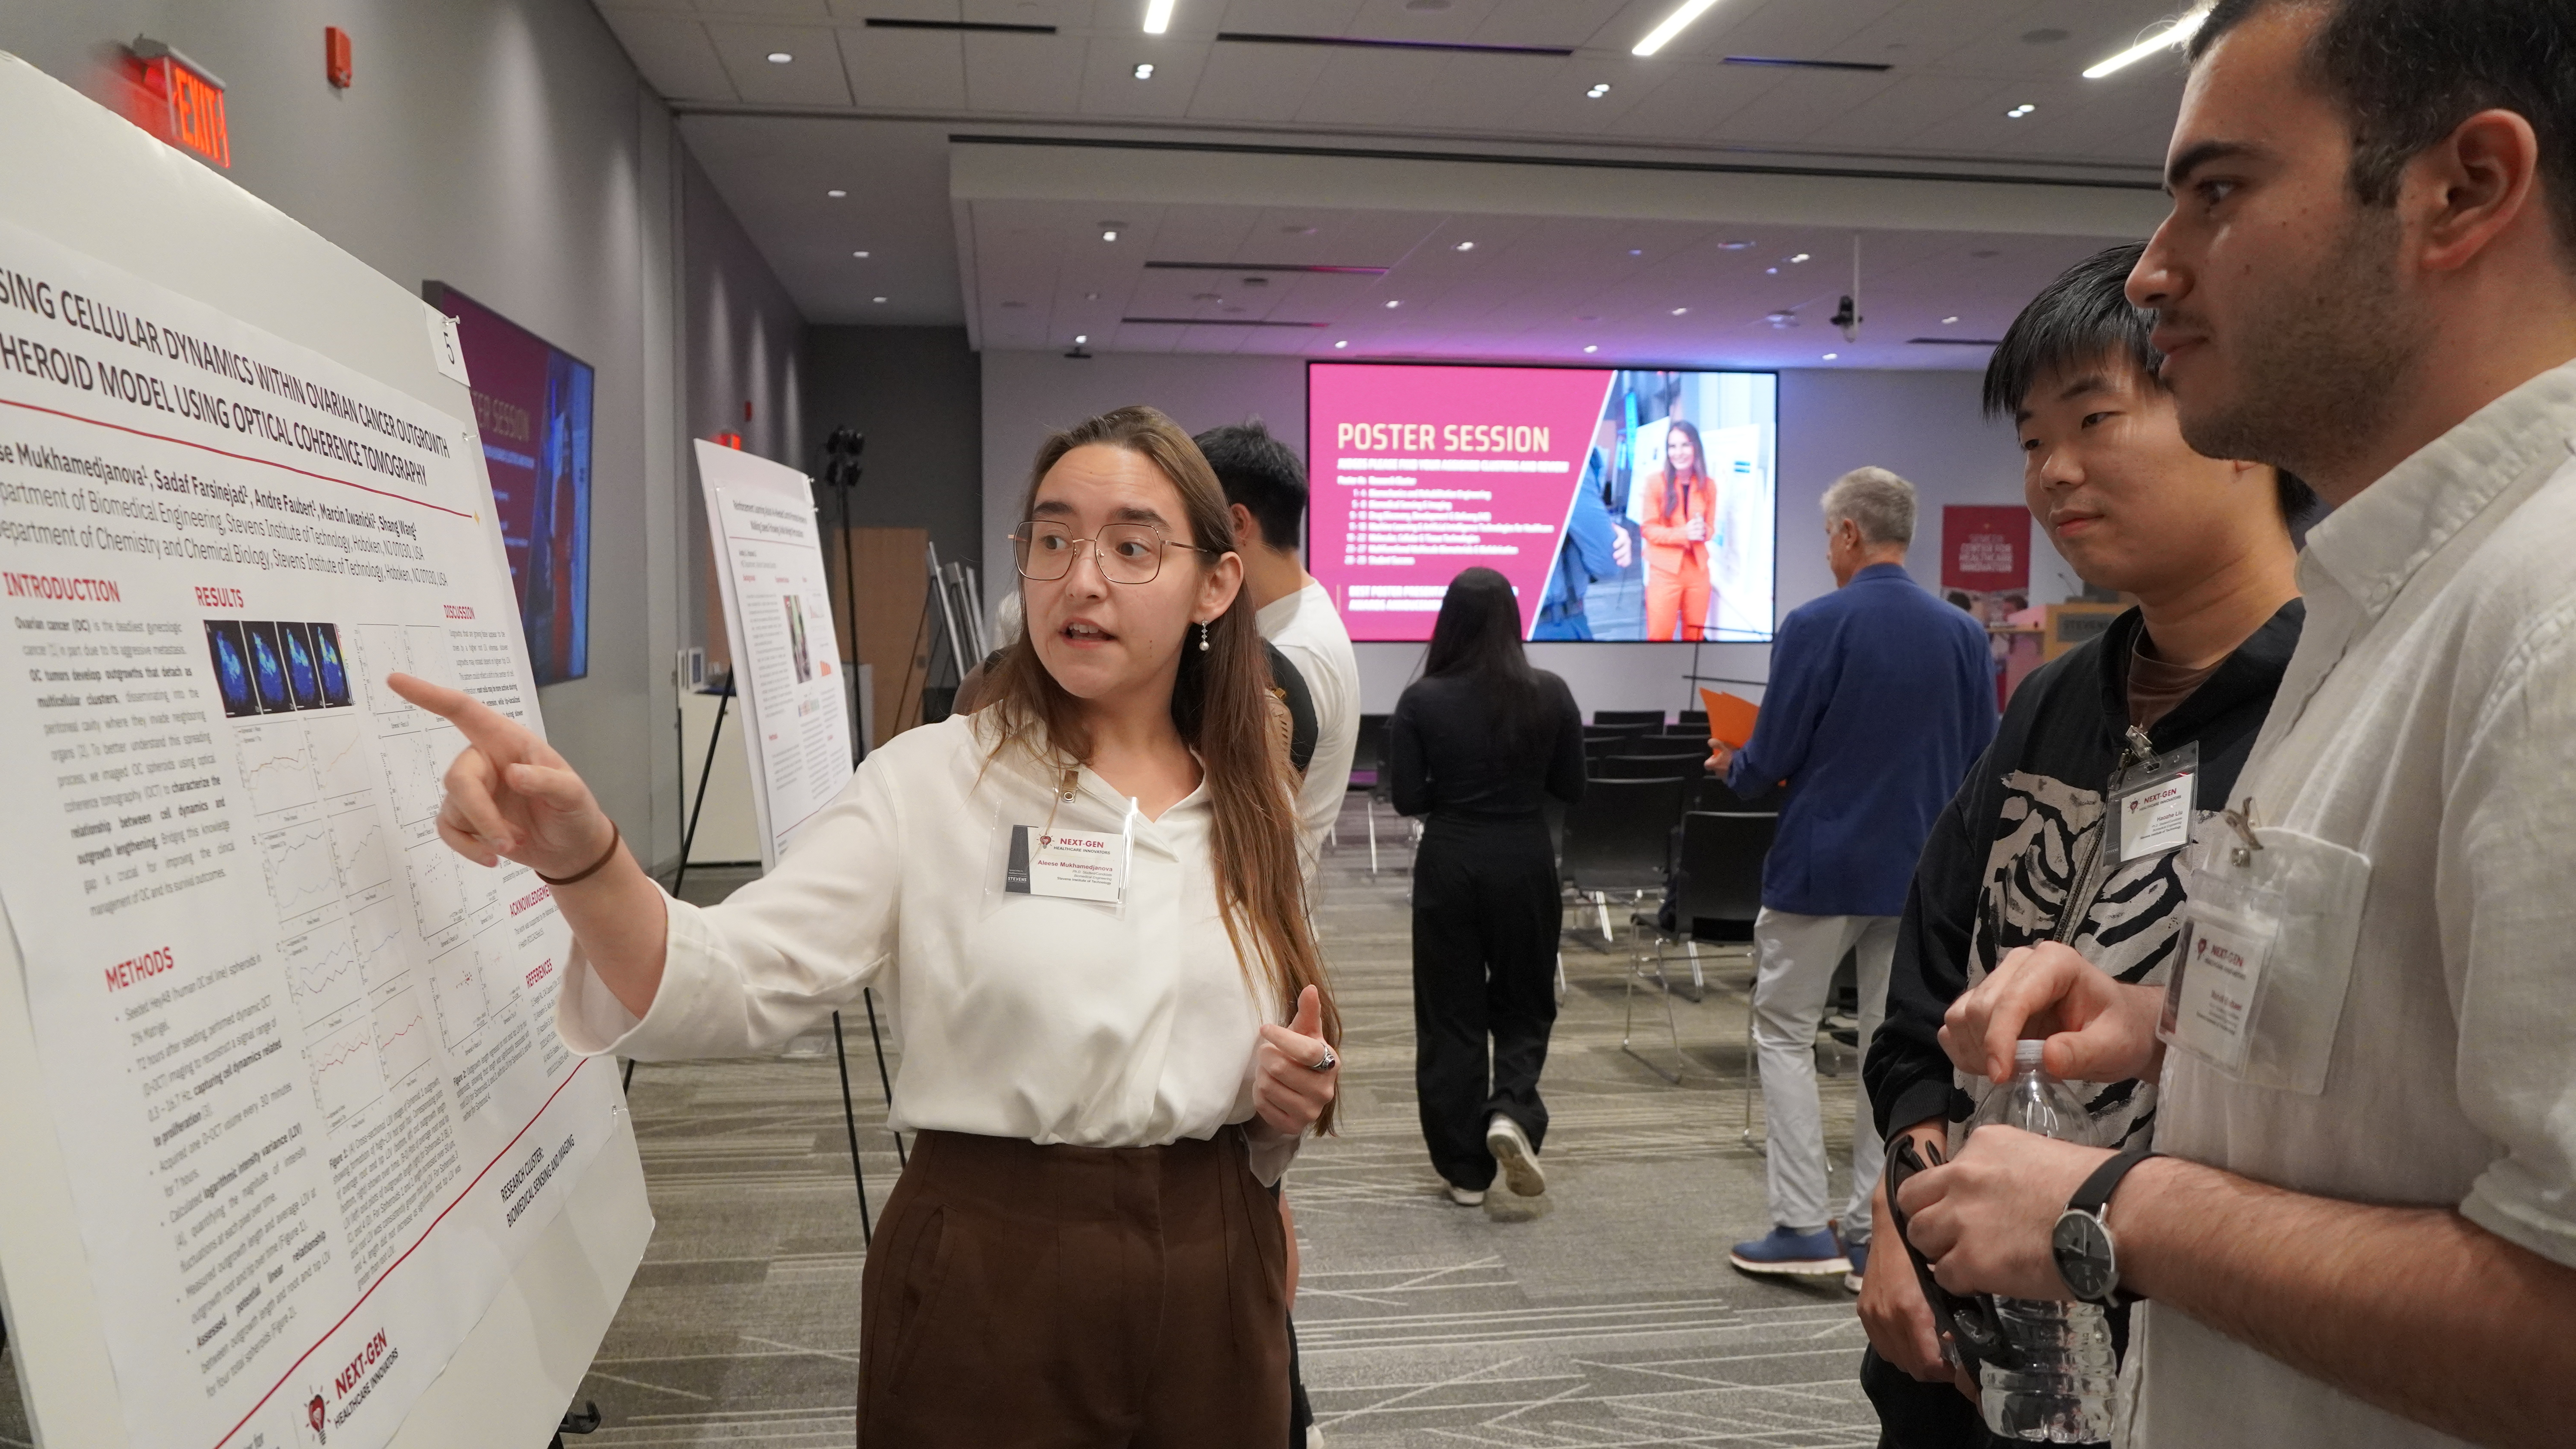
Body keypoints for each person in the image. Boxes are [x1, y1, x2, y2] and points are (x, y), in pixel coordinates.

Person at [390, 405, 1344, 1445]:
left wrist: (1280, 1114)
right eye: (1055, 538)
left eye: (1131, 546)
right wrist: (582, 857)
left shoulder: (1254, 804)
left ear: (1216, 584)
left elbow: (1267, 1055)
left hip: (1220, 1264)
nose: (1082, 578)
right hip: (996, 1269)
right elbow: (729, 980)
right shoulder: (930, 782)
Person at [1897, 3, 2576, 1446]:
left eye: (2220, 192)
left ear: (2464, 190)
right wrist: (2170, 1032)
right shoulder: (2391, 601)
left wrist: (2106, 1206)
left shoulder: (2549, 614)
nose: (2157, 267)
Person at [1856, 242, 2311, 1446]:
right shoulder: (2053, 706)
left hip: (2202, 1356)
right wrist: (1906, 1204)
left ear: (2242, 418)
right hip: (1974, 1358)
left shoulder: (2333, 711)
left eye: (2096, 420)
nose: (2054, 473)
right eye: (2031, 441)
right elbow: (1921, 998)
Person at [1714, 468, 1998, 1279]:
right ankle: (1879, 1221)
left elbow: (1772, 754)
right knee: (1894, 1048)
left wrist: (1735, 765)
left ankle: (1802, 1225)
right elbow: (1985, 760)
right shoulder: (1962, 634)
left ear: (1847, 534)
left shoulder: (1813, 624)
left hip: (1819, 869)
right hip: (1922, 876)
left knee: (1785, 1034)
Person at [1192, 418, 1357, 1449]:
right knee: (1250, 1232)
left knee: (1237, 1244)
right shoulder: (1305, 627)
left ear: (1237, 526)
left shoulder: (1278, 664)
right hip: (1259, 955)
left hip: (1244, 974)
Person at [1387, 567, 1585, 1206]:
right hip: (1526, 860)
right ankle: (1512, 1110)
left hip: (1450, 859)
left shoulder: (1422, 700)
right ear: (1514, 621)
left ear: (1448, 622)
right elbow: (1572, 788)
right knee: (1526, 1002)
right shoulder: (1551, 693)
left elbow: (1407, 798)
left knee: (1451, 1015)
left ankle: (1465, 1171)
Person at [1195, 419, 1361, 869]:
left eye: (1188, 521)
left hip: (1253, 916)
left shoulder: (1293, 652)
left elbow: (1237, 827)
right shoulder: (1294, 618)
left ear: (1235, 523)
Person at [1535, 443, 1634, 640]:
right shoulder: (1564, 453)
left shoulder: (1465, 448)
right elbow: (1606, 562)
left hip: (1475, 628)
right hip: (1552, 627)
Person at [1640, 418, 1716, 640]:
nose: (1678, 452)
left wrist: (1703, 531)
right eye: (1673, 446)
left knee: (1695, 637)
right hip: (1665, 571)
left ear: (1696, 448)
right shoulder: (1655, 482)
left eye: (1685, 445)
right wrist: (1683, 534)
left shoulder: (1708, 485)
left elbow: (1711, 527)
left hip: (1698, 570)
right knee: (1660, 636)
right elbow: (1648, 529)